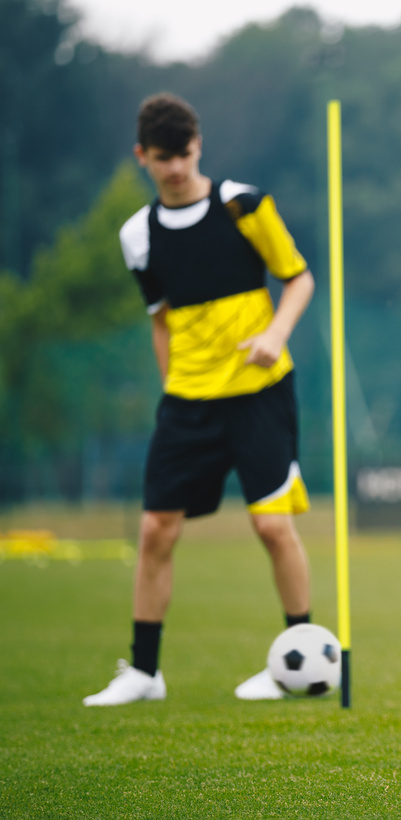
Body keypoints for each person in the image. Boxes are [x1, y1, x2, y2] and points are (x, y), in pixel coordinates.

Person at [83, 93, 317, 706]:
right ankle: (144, 672)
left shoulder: (244, 205)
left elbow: (298, 277)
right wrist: (171, 388)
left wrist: (275, 333)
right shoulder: (137, 235)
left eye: (185, 154)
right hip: (187, 403)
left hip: (259, 394)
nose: (177, 168)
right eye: (164, 158)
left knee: (272, 526)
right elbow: (160, 320)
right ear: (143, 157)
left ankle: (300, 658)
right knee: (156, 529)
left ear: (199, 146)